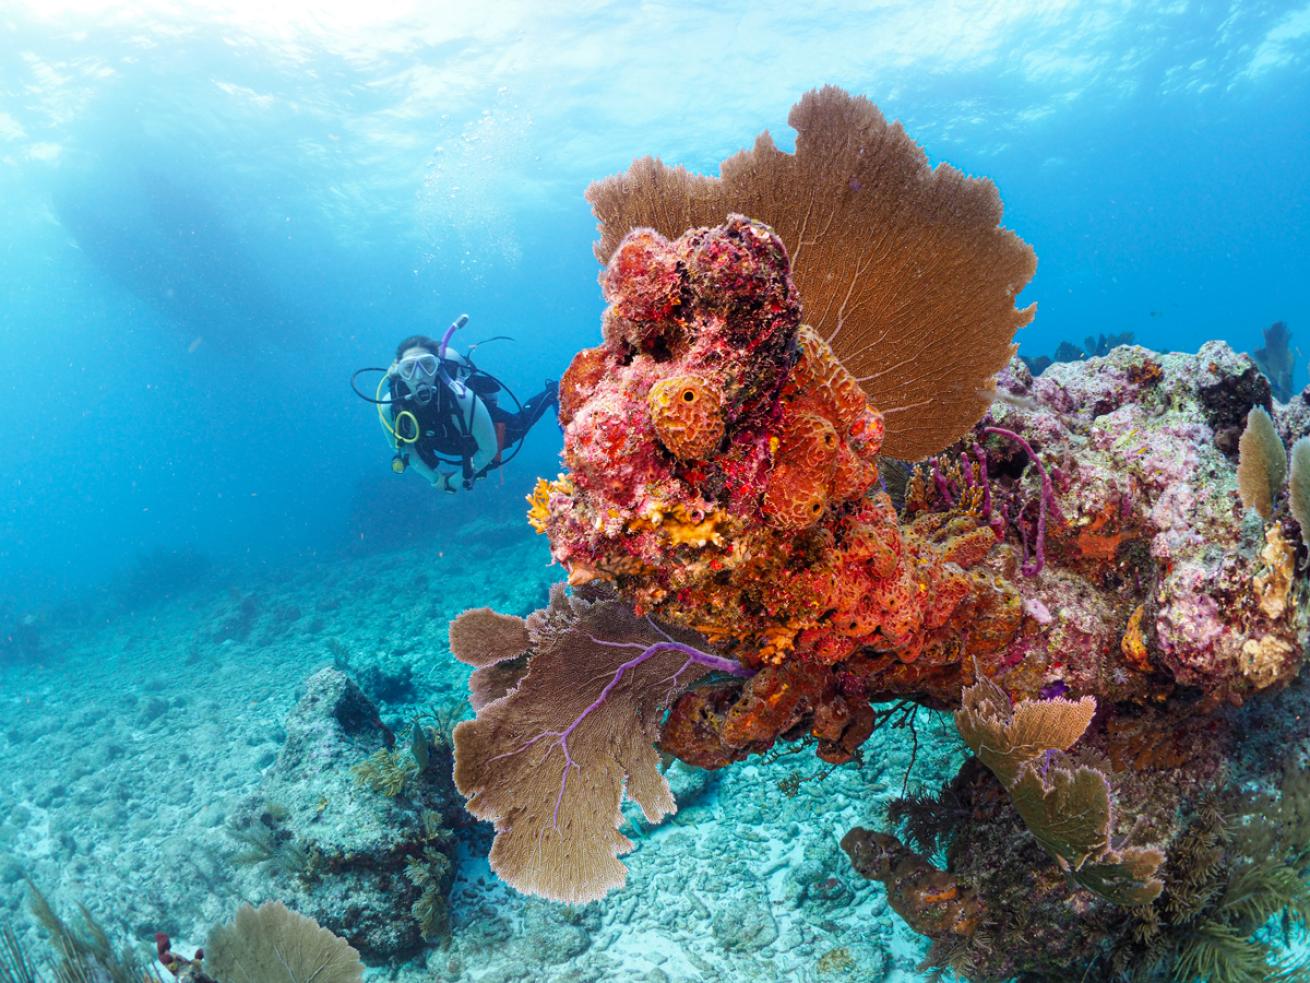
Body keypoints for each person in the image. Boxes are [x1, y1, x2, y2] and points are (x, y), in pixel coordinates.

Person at [370, 315, 558, 493]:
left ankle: (551, 392)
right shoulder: (389, 406)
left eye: (427, 365)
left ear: (437, 366)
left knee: (519, 427)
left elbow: (489, 449)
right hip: (441, 441)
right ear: (399, 373)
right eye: (409, 368)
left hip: (474, 435)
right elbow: (404, 449)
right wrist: (435, 478)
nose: (419, 377)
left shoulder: (462, 398)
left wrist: (457, 479)